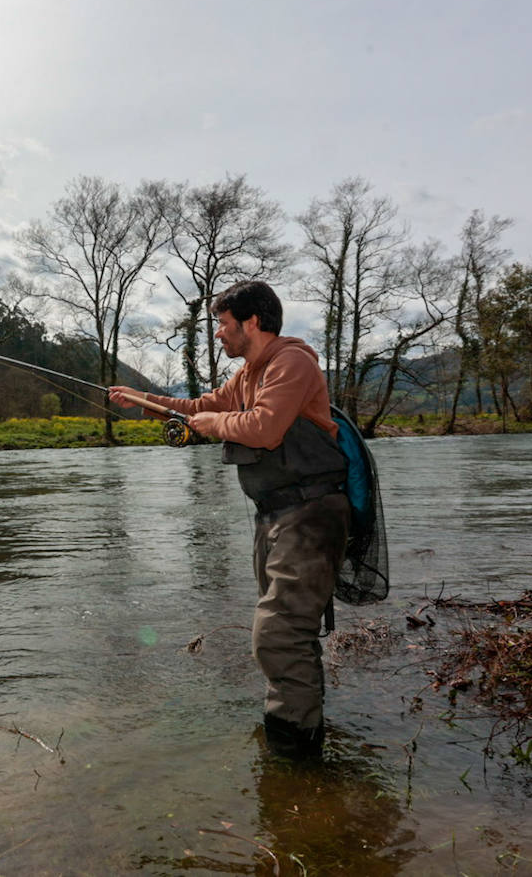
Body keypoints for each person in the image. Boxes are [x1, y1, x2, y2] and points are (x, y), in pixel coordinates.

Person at [109, 280, 349, 760]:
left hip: (311, 514)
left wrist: (213, 425)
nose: (218, 334)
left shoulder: (291, 362)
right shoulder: (247, 374)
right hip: (275, 517)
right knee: (288, 633)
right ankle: (299, 737)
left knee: (277, 635)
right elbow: (199, 408)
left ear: (251, 322)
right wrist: (145, 400)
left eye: (222, 323)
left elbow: (263, 428)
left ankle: (294, 755)